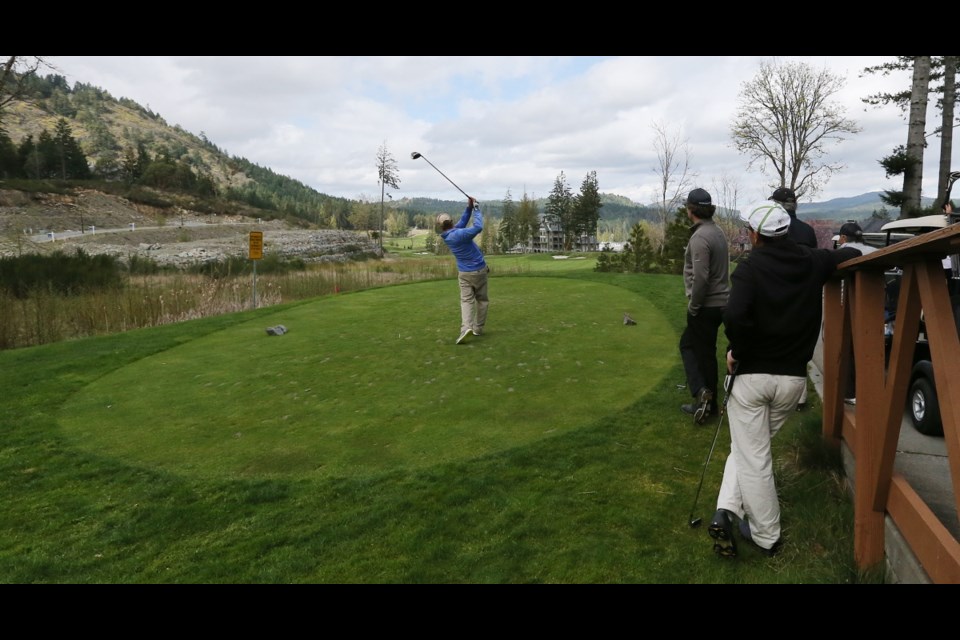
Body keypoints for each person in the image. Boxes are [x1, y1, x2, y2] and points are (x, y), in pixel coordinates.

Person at [708, 201, 862, 559]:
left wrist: (737, 351)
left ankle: (766, 535)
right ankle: (727, 510)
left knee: (753, 455)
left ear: (755, 234)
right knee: (749, 450)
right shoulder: (813, 261)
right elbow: (849, 253)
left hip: (752, 380)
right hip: (792, 383)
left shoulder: (749, 269)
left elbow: (733, 315)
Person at [679, 188, 730, 425]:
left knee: (695, 349)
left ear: (691, 210)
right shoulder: (716, 231)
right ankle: (707, 399)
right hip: (720, 303)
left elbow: (701, 277)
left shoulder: (700, 237)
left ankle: (703, 395)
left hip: (706, 305)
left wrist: (694, 306)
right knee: (701, 350)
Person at [770, 187, 818, 410]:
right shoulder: (808, 232)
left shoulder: (776, 229)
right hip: (806, 294)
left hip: (780, 293)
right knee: (801, 346)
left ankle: (777, 392)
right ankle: (800, 398)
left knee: (777, 343)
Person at [439, 196, 490, 344]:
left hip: (464, 274)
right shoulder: (460, 233)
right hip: (480, 270)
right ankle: (478, 328)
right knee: (482, 300)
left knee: (466, 301)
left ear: (442, 226)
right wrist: (476, 209)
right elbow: (478, 227)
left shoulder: (448, 236)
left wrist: (468, 208)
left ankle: (466, 327)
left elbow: (463, 221)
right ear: (451, 222)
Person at [836, 222, 877, 404]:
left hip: (848, 306)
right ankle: (872, 389)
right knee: (870, 348)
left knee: (848, 349)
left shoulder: (841, 253)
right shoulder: (873, 251)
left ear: (843, 238)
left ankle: (850, 392)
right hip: (874, 305)